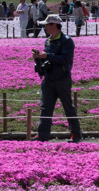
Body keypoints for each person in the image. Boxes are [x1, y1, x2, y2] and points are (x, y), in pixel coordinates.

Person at [32, 14, 83, 143]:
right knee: (45, 108)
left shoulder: (66, 41)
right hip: (48, 78)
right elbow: (48, 57)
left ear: (54, 25)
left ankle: (76, 134)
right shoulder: (48, 40)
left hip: (62, 79)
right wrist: (39, 57)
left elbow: (65, 59)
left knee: (67, 107)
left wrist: (47, 56)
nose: (44, 27)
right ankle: (42, 135)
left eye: (46, 25)